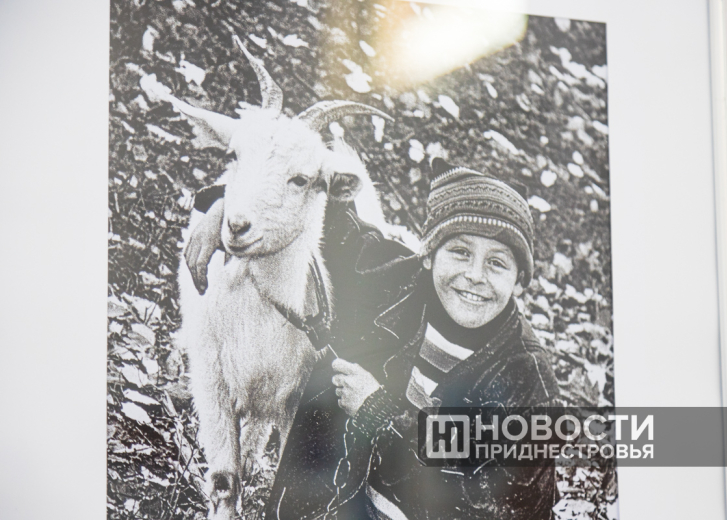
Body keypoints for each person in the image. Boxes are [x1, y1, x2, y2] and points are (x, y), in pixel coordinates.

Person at [186, 158, 560, 519]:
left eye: (497, 262)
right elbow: (317, 206)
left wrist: (378, 415)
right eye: (460, 252)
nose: (475, 275)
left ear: (519, 280)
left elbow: (491, 507)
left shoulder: (528, 380)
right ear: (429, 255)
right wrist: (225, 209)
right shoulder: (394, 281)